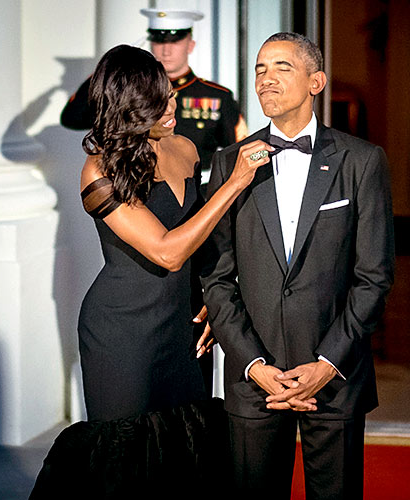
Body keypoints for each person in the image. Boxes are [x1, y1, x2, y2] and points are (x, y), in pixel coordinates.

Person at [28, 44, 271, 499]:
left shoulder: (184, 147)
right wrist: (235, 182)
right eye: (161, 100)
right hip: (122, 335)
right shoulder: (97, 170)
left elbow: (202, 246)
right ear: (132, 106)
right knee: (125, 465)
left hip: (184, 328)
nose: (174, 105)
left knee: (186, 456)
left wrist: (212, 304)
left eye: (172, 95)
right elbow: (167, 252)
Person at [201, 32, 395, 500]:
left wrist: (327, 363)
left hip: (334, 377)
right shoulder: (230, 162)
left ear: (316, 81)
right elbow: (216, 276)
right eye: (260, 70)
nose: (266, 79)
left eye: (281, 68)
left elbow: (374, 276)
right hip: (255, 380)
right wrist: (253, 364)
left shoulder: (362, 161)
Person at [60, 8, 247, 176]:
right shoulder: (131, 93)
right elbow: (72, 118)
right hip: (141, 187)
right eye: (159, 42)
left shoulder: (217, 96)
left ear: (190, 45)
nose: (166, 51)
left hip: (200, 191)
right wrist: (107, 71)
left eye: (175, 42)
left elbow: (240, 149)